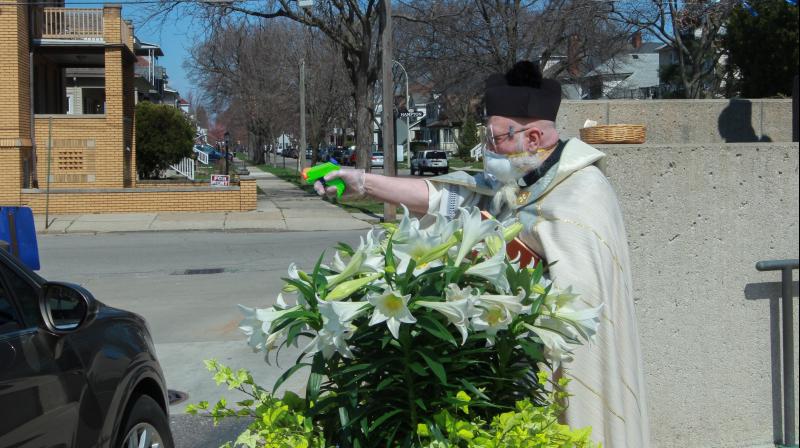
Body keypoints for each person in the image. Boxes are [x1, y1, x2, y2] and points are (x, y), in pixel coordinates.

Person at [314, 61, 650, 447]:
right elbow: (446, 198)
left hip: (557, 364)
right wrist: (362, 182)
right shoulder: (521, 175)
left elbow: (579, 299)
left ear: (534, 136)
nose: (486, 149)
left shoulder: (581, 192)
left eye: (494, 139)